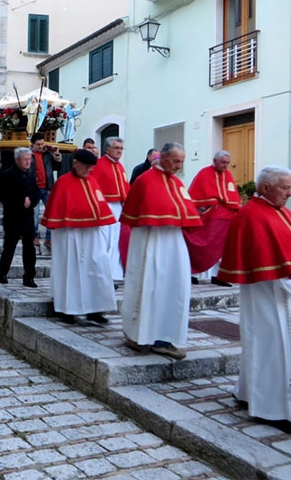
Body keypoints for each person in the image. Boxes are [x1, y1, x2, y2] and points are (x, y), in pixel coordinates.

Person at [217, 166, 291, 424]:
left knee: (268, 343)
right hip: (266, 291)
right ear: (266, 187)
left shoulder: (278, 211)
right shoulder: (253, 215)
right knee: (270, 344)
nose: (289, 193)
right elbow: (264, 259)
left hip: (279, 292)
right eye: (285, 188)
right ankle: (270, 408)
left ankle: (248, 392)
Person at [119, 143, 202, 359]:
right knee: (148, 287)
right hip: (150, 241)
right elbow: (141, 213)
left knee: (174, 288)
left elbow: (185, 211)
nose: (179, 166)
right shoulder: (145, 180)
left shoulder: (177, 183)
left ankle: (165, 338)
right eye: (176, 161)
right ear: (163, 157)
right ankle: (139, 336)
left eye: (181, 162)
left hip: (174, 243)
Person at [41, 149, 117, 324]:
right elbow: (57, 210)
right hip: (70, 233)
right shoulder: (63, 183)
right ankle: (68, 308)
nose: (90, 170)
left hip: (92, 233)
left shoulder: (92, 181)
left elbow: (99, 204)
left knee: (97, 267)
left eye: (92, 167)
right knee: (70, 269)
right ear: (76, 163)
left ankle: (95, 309)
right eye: (87, 166)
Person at [184, 151, 241, 286]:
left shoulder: (228, 175)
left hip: (226, 219)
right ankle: (193, 274)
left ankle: (219, 276)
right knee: (201, 246)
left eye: (227, 163)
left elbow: (232, 196)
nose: (225, 166)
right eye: (223, 162)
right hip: (209, 218)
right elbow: (196, 196)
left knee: (223, 249)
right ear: (214, 161)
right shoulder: (204, 173)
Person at [0, 147, 40, 287]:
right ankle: (2, 272)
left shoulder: (31, 175)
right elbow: (3, 196)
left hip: (27, 217)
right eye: (25, 159)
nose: (28, 162)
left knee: (29, 249)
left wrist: (31, 201)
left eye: (29, 159)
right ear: (17, 160)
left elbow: (36, 193)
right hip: (13, 217)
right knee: (9, 247)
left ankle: (29, 276)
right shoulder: (7, 175)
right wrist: (21, 201)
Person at [91, 137, 129, 282]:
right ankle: (102, 272)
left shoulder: (120, 166)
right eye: (116, 148)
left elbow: (125, 187)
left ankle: (115, 272)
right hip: (104, 207)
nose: (119, 151)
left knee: (116, 240)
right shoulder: (98, 165)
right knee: (105, 241)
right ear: (107, 149)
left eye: (121, 148)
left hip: (118, 208)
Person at [29, 133, 62, 249]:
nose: (40, 146)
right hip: (34, 189)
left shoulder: (47, 154)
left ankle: (49, 238)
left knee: (52, 213)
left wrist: (57, 154)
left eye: (42, 144)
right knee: (34, 215)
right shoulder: (28, 154)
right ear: (33, 144)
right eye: (38, 144)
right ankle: (34, 236)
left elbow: (57, 167)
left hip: (47, 187)